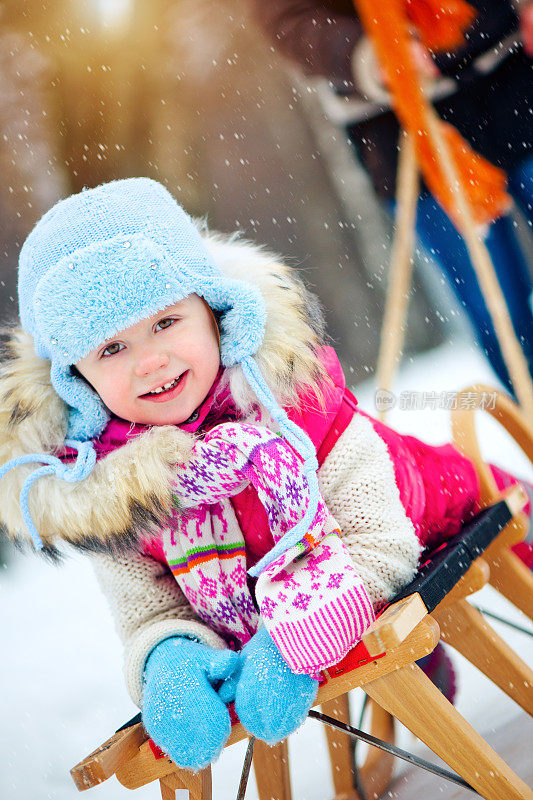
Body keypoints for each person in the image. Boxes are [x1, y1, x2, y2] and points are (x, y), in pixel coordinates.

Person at [0, 178, 530, 771]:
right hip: (272, 600)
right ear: (80, 387)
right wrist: (169, 662)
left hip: (415, 505)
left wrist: (289, 648)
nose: (150, 360)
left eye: (166, 322)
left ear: (216, 313)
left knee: (492, 498)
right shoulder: (113, 495)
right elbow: (146, 610)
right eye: (111, 350)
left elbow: (378, 543)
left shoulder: (294, 409)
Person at [248, 0, 533, 396]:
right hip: (398, 122)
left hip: (512, 70)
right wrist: (367, 54)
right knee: (501, 315)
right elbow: (287, 18)